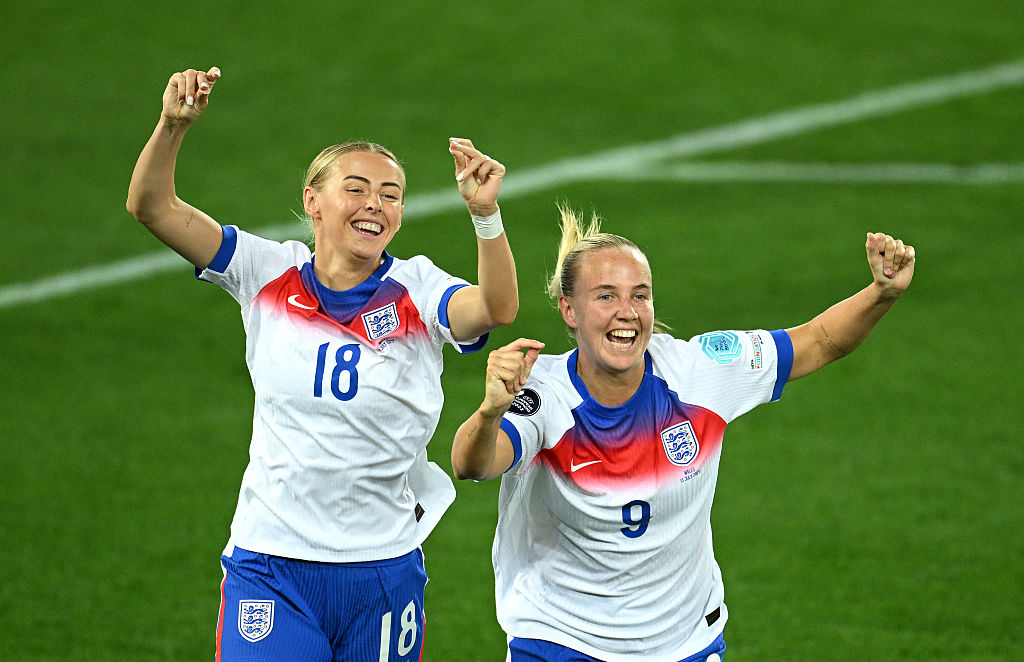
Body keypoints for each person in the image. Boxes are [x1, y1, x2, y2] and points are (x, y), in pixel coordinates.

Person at [126, 66, 519, 661]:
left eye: (391, 195)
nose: (374, 205)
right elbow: (151, 206)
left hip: (381, 568)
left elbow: (496, 307)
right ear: (313, 200)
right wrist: (173, 126)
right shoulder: (264, 271)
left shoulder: (418, 289)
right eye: (356, 188)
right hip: (272, 565)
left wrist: (484, 215)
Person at [451, 205, 915, 662]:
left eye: (640, 295)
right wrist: (491, 411)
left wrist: (882, 294)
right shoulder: (543, 393)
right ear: (569, 310)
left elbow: (818, 341)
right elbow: (472, 464)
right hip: (561, 640)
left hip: (684, 644)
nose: (627, 312)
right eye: (606, 296)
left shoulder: (700, 372)